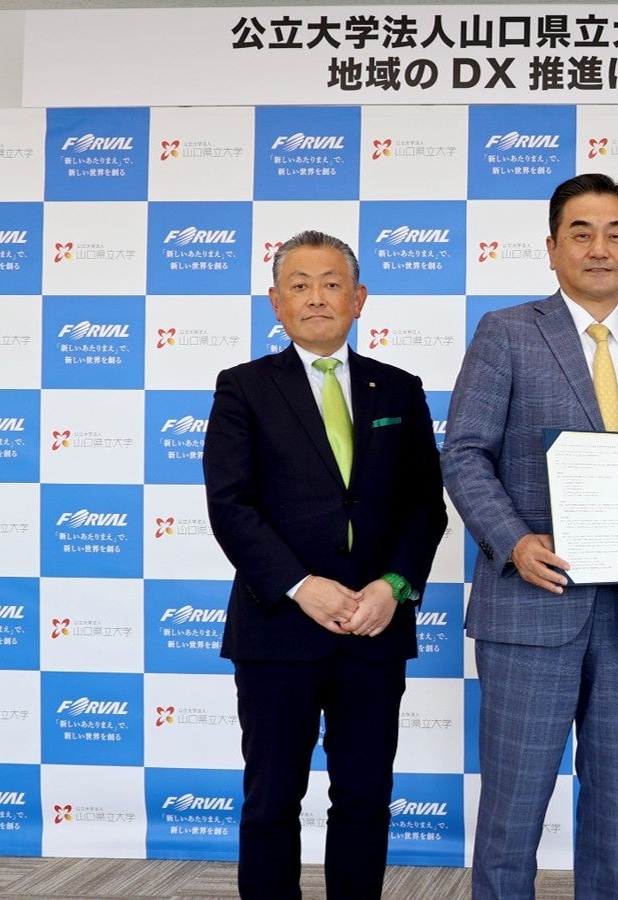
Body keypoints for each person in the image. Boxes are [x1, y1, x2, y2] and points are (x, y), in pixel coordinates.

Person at [442, 173, 618, 899]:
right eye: (580, 234)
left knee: (617, 807)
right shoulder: (506, 332)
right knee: (513, 805)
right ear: (552, 248)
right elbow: (464, 453)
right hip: (532, 606)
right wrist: (514, 542)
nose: (599, 249)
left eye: (616, 233)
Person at [202, 230, 447, 900]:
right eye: (301, 285)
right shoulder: (244, 388)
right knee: (272, 799)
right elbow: (230, 505)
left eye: (332, 283)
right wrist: (301, 586)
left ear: (358, 298)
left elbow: (425, 505)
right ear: (276, 302)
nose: (317, 297)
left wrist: (392, 587)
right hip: (277, 629)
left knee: (364, 798)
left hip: (375, 626)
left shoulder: (398, 389)